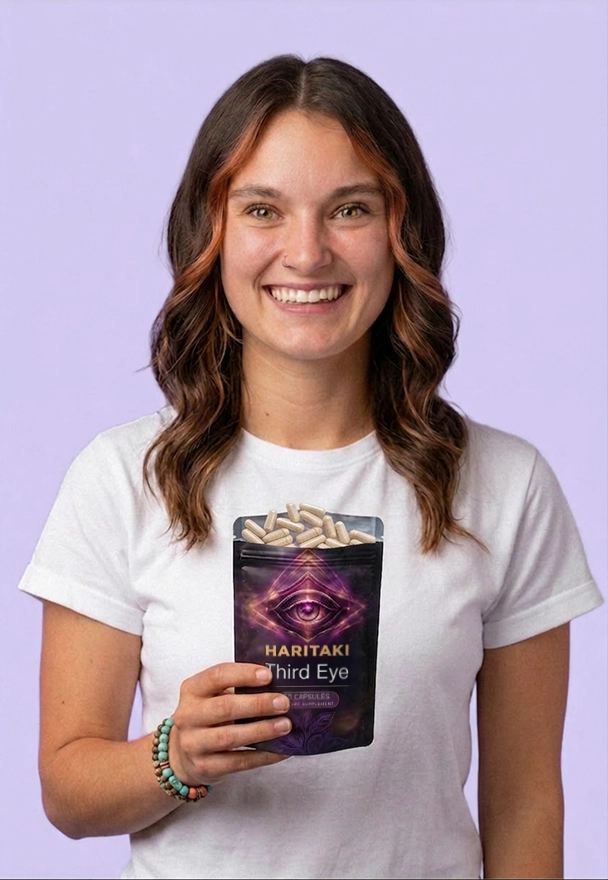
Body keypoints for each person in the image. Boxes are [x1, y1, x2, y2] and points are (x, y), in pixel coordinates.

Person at [18, 54, 603, 880]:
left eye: (350, 210)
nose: (307, 251)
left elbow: (526, 802)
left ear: (403, 232)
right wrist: (174, 756)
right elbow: (66, 791)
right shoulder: (122, 478)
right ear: (211, 235)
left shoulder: (506, 485)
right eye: (263, 209)